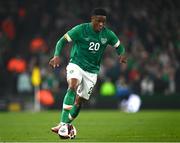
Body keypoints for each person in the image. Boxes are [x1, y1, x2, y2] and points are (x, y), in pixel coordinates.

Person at [49, 8, 127, 134]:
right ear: (92, 19)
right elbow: (62, 41)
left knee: (79, 102)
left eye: (103, 22)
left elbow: (119, 46)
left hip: (92, 72)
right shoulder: (81, 29)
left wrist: (122, 54)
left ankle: (65, 124)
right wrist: (56, 55)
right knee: (72, 86)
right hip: (76, 65)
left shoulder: (107, 34)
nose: (101, 24)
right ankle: (63, 124)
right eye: (98, 21)